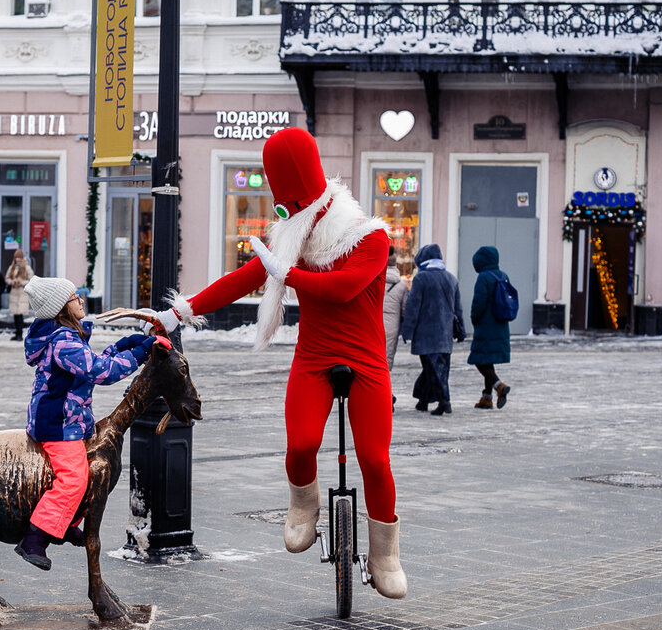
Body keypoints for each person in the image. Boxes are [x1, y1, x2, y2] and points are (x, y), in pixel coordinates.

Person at [144, 127, 407, 600]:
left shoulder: (371, 237)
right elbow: (240, 280)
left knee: (374, 458)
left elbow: (343, 287)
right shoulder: (293, 235)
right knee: (302, 443)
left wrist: (286, 273)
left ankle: (385, 553)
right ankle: (303, 505)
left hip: (366, 361)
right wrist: (177, 312)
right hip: (314, 357)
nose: (287, 218)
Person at [13, 275, 158, 570]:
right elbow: (100, 371)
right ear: (61, 308)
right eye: (75, 296)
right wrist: (140, 353)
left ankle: (62, 523)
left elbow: (92, 364)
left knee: (88, 478)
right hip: (57, 424)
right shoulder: (63, 343)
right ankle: (34, 539)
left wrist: (124, 345)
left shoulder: (65, 337)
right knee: (74, 479)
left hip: (69, 421)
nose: (81, 299)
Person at [400, 243, 464, 416]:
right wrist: (461, 330)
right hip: (445, 335)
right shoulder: (451, 278)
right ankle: (423, 401)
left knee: (434, 369)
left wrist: (407, 331)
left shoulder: (421, 279)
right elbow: (458, 309)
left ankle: (445, 401)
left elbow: (413, 307)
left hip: (426, 334)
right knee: (438, 368)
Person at [467, 245, 513, 409]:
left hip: (486, 326)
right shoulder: (503, 275)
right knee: (488, 360)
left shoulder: (484, 278)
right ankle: (486, 398)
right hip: (500, 325)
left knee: (479, 360)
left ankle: (499, 386)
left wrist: (474, 318)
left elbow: (478, 303)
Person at [382, 245, 409, 412]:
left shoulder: (372, 279)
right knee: (385, 363)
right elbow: (405, 310)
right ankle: (387, 396)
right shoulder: (400, 286)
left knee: (371, 363)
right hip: (391, 327)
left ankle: (384, 395)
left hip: (372, 324)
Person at [4, 250, 34, 341]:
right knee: (15, 314)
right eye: (16, 257)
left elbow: (31, 280)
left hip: (22, 293)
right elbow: (7, 278)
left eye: (19, 257)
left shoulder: (27, 268)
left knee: (20, 314)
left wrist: (21, 282)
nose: (17, 259)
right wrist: (12, 282)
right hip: (14, 292)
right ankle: (16, 332)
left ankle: (19, 334)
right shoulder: (12, 267)